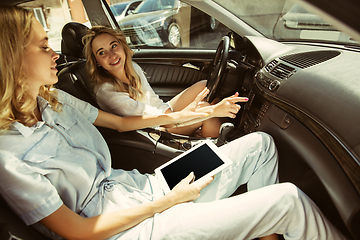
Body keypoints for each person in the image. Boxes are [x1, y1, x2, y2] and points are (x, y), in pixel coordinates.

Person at [0, 5, 347, 240]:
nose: (56, 54)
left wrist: (201, 115)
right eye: (44, 46)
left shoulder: (55, 99)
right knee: (286, 200)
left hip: (141, 187)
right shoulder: (6, 153)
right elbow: (78, 232)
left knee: (260, 146)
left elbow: (121, 125)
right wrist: (169, 201)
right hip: (129, 228)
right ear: (12, 57)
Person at [83, 26, 246, 138]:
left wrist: (172, 113)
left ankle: (202, 131)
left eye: (114, 46)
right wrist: (181, 118)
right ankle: (215, 145)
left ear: (122, 45)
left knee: (204, 86)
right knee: (208, 112)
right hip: (154, 128)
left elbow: (152, 100)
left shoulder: (132, 67)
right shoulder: (106, 91)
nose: (111, 55)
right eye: (102, 52)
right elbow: (146, 117)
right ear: (96, 61)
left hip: (160, 113)